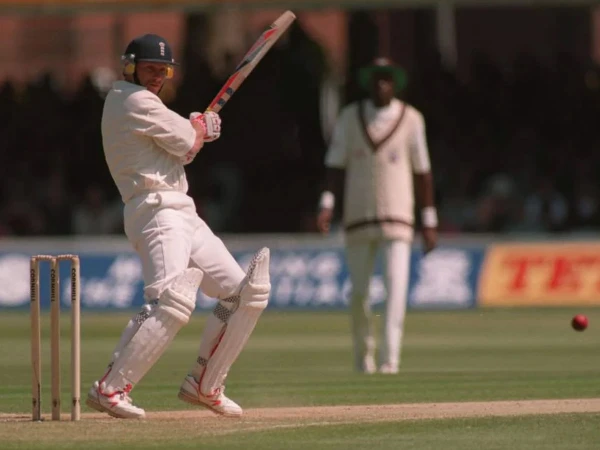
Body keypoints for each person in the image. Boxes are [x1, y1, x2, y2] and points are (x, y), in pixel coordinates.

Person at [85, 33, 271, 419]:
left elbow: (183, 149)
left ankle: (205, 383)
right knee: (169, 301)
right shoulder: (131, 99)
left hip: (182, 210)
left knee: (242, 295)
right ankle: (110, 388)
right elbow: (187, 141)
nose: (157, 76)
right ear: (130, 67)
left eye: (164, 71)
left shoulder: (141, 104)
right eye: (150, 69)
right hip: (156, 210)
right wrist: (199, 127)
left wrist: (197, 129)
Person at [317, 57, 437, 374]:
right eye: (376, 79)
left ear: (395, 84)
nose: (382, 84)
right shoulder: (350, 117)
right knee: (359, 293)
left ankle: (390, 360)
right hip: (358, 216)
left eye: (387, 78)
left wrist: (429, 220)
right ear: (369, 83)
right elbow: (335, 166)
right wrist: (327, 203)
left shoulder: (412, 119)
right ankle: (363, 356)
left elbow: (423, 172)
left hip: (399, 217)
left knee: (396, 290)